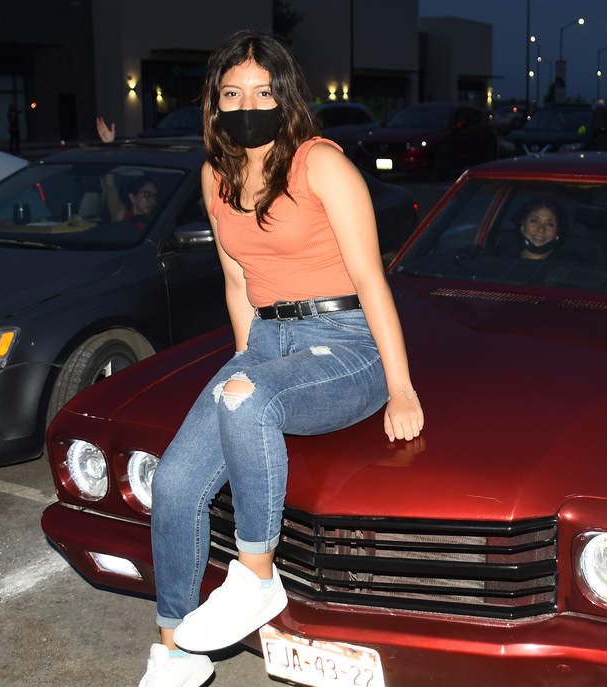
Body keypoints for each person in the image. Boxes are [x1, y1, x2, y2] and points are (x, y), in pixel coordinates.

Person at [137, 30, 424, 687]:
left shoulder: (321, 164)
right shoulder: (215, 176)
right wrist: (245, 361)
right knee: (175, 482)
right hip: (268, 341)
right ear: (214, 104)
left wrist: (401, 386)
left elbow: (371, 278)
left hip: (345, 342)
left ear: (286, 97)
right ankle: (175, 652)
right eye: (232, 94)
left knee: (247, 400)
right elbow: (238, 282)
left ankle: (258, 576)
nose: (248, 106)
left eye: (263, 92)